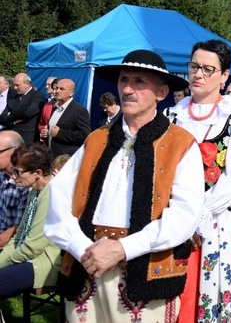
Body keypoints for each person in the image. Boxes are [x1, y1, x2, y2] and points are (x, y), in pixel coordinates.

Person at [44, 49, 204, 322]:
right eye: (123, 80)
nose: (128, 89)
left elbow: (184, 216)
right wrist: (84, 248)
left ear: (162, 92)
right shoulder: (96, 139)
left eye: (139, 82)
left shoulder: (181, 143)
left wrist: (123, 249)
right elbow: (58, 197)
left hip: (145, 266)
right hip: (88, 264)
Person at [170, 40, 231, 323]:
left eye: (208, 69)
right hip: (173, 216)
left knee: (212, 285)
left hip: (217, 220)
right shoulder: (172, 115)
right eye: (194, 67)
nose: (198, 74)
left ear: (225, 76)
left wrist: (196, 214)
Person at [0, 144, 61, 298]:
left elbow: (33, 247)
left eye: (18, 172)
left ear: (37, 173)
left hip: (44, 262)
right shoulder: (35, 191)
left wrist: (5, 262)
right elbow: (18, 236)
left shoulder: (51, 193)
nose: (13, 176)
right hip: (27, 257)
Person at [40, 78, 91, 157]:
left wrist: (60, 133)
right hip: (52, 155)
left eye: (62, 89)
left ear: (71, 93)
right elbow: (53, 130)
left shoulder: (79, 110)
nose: (57, 91)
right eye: (56, 88)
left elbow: (84, 134)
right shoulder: (55, 108)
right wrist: (46, 132)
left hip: (66, 158)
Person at [0, 130, 30, 249]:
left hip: (10, 247)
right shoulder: (2, 175)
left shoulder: (26, 183)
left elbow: (18, 230)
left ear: (15, 151)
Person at [0, 73, 46, 143]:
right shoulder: (14, 98)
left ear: (27, 84)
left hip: (28, 137)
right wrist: (15, 121)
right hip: (12, 135)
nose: (15, 88)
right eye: (14, 85)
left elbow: (29, 112)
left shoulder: (37, 96)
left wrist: (11, 114)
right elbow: (2, 118)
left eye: (17, 85)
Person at [37, 78, 58, 144]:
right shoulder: (45, 103)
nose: (46, 87)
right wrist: (42, 130)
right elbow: (42, 123)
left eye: (49, 85)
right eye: (46, 84)